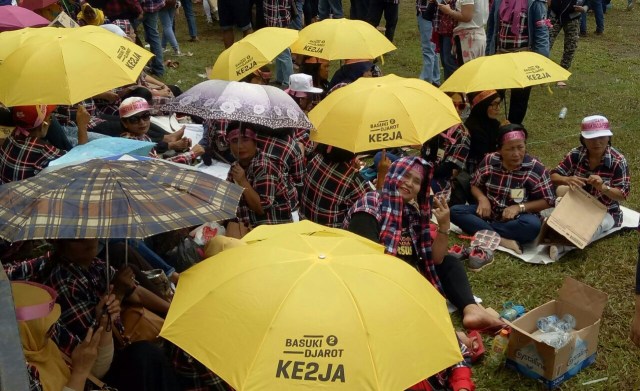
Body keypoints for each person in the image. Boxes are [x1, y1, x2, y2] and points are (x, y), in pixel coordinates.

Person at [345, 156, 504, 330]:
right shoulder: (370, 205)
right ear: (393, 175)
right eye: (405, 176)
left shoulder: (411, 212)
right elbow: (368, 265)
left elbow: (435, 259)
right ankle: (449, 334)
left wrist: (444, 226)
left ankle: (472, 309)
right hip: (378, 283)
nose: (409, 183)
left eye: (416, 181)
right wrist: (412, 282)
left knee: (450, 262)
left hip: (409, 276)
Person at [450, 124, 555, 257]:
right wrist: (482, 199)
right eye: (510, 149)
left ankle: (484, 231)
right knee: (455, 211)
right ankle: (503, 241)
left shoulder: (536, 168)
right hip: (489, 213)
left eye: (520, 147)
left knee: (533, 226)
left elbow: (548, 201)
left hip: (518, 219)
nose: (516, 154)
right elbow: (474, 184)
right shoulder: (489, 160)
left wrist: (519, 207)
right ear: (499, 150)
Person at [548, 115, 630, 259]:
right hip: (578, 201)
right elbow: (553, 176)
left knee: (592, 229)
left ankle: (561, 245)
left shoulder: (618, 161)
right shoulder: (576, 154)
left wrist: (604, 187)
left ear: (608, 138)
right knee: (558, 196)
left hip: (605, 210)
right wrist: (567, 179)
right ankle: (555, 235)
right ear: (583, 139)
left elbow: (622, 195)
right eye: (591, 138)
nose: (597, 142)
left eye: (602, 138)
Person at [11, 280, 107, 391]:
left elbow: (96, 370)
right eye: (44, 322)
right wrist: (79, 373)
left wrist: (105, 324)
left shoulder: (48, 337)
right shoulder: (15, 376)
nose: (54, 329)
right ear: (24, 328)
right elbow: (85, 369)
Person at [485, 0, 550, 124]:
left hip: (523, 58)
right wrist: (488, 54)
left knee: (519, 100)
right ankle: (488, 128)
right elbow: (491, 29)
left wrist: (542, 62)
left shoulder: (536, 3)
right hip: (500, 55)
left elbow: (541, 33)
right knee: (492, 96)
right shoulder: (498, 1)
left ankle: (513, 130)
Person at [226, 124, 292, 231]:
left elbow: (260, 209)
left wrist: (243, 181)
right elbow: (229, 198)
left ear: (255, 142)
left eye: (245, 139)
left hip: (271, 228)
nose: (240, 146)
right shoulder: (236, 166)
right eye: (234, 141)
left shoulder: (264, 167)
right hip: (247, 222)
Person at [0, 105, 89, 184]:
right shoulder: (42, 150)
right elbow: (81, 160)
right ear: (43, 125)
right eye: (50, 118)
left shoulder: (10, 138)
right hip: (26, 200)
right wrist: (82, 126)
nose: (51, 122)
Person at [449, 90, 502, 206]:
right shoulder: (473, 128)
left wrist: (506, 132)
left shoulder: (495, 124)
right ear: (483, 106)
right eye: (494, 104)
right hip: (476, 174)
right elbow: (486, 158)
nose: (498, 108)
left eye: (499, 103)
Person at [118, 97, 204, 165]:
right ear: (125, 123)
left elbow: (154, 157)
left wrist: (178, 148)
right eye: (134, 119)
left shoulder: (142, 136)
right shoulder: (132, 144)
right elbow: (158, 168)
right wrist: (192, 154)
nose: (142, 122)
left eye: (145, 116)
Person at [300, 144, 370, 228]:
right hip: (330, 235)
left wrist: (351, 169)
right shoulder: (352, 179)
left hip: (303, 225)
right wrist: (381, 176)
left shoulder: (316, 159)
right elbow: (371, 206)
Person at [421, 92, 471, 199]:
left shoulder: (462, 134)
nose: (457, 109)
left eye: (461, 106)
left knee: (419, 185)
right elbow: (424, 153)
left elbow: (446, 171)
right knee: (380, 156)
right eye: (453, 104)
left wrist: (420, 170)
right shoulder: (434, 125)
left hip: (440, 180)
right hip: (422, 169)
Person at [549, 0, 588, 84]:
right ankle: (539, 72)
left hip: (573, 18)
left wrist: (584, 8)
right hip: (554, 16)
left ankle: (561, 75)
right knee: (545, 44)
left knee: (571, 46)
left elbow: (589, 3)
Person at [438, 0, 488, 65]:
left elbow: (466, 17)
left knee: (466, 71)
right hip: (478, 35)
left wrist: (449, 11)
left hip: (468, 39)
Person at [263, 0, 294, 87]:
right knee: (279, 51)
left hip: (278, 17)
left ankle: (288, 82)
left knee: (284, 52)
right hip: (276, 16)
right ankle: (281, 79)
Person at [137, 0, 166, 77]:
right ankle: (158, 69)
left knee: (128, 33)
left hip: (140, 7)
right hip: (154, 6)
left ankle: (137, 67)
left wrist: (139, 8)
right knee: (154, 36)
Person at [416, 0, 441, 85]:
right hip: (429, 13)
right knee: (433, 49)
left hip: (427, 13)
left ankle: (426, 81)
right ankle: (435, 79)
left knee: (428, 50)